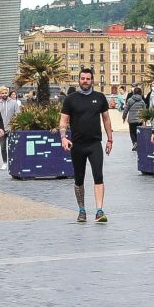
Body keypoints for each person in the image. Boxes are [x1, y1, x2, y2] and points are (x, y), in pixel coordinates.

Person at [59, 67, 114, 223]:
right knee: (79, 179)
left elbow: (106, 119)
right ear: (79, 80)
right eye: (82, 78)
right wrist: (63, 137)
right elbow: (63, 121)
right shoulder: (71, 99)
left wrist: (110, 139)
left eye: (88, 79)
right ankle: (82, 210)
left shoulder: (100, 97)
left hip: (94, 144)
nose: (85, 81)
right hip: (77, 145)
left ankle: (99, 210)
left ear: (92, 80)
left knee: (98, 175)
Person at [0, 86, 20, 170]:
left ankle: (13, 162)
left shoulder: (14, 103)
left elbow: (18, 115)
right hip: (1, 130)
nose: (4, 94)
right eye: (2, 93)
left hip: (12, 129)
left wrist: (15, 126)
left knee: (13, 146)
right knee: (3, 147)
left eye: (5, 93)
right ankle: (5, 162)